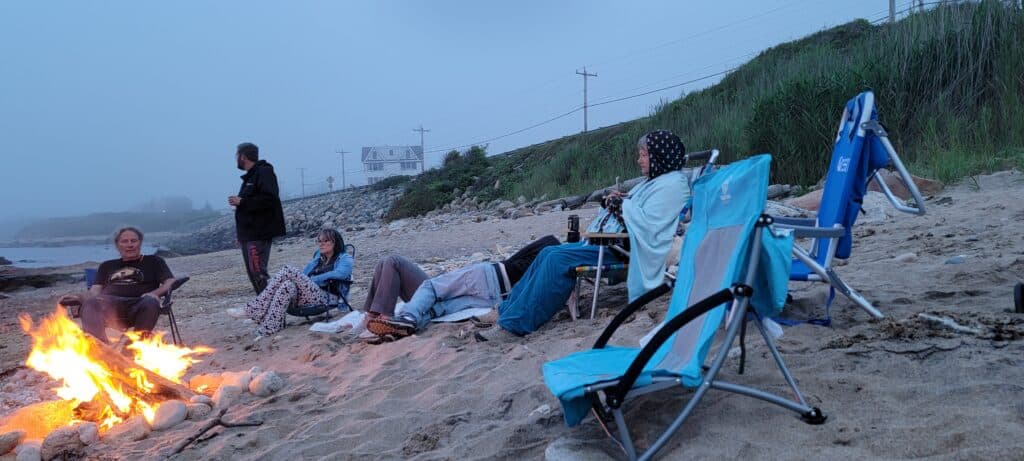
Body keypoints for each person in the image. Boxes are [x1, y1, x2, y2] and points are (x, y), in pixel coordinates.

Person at [476, 130, 691, 342]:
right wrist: (619, 201)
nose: (639, 160)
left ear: (659, 155)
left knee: (556, 259)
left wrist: (621, 206)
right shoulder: (654, 181)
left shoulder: (671, 185)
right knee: (547, 251)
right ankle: (506, 310)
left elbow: (650, 227)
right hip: (617, 245)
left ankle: (514, 326)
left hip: (630, 251)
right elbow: (639, 210)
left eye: (644, 155)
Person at [365, 235, 561, 340]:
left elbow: (549, 242)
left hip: (487, 275)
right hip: (495, 297)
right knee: (437, 309)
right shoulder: (553, 271)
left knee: (429, 285)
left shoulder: (552, 247)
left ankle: (399, 318)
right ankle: (395, 326)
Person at [227, 228, 353, 337]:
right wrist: (306, 280)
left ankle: (254, 309)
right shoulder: (318, 258)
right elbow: (303, 276)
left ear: (335, 242)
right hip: (311, 295)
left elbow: (340, 274)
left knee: (289, 270)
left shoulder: (344, 257)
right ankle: (271, 326)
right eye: (319, 241)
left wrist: (313, 280)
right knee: (287, 285)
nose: (321, 244)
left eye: (325, 240)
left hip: (328, 297)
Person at [79, 226, 175, 343]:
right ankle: (100, 347)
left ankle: (134, 347)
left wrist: (154, 293)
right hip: (110, 305)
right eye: (124, 241)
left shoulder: (154, 261)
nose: (130, 245)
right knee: (91, 302)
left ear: (140, 243)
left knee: (151, 301)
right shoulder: (107, 265)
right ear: (117, 245)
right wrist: (80, 298)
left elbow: (170, 281)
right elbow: (95, 290)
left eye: (133, 241)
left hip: (139, 303)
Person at [229, 142, 286, 294]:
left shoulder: (264, 172)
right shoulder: (250, 177)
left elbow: (270, 198)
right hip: (249, 235)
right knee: (254, 275)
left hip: (258, 234)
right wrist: (241, 236)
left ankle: (274, 312)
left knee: (259, 273)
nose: (236, 159)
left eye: (236, 156)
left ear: (243, 157)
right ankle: (266, 311)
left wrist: (242, 201)